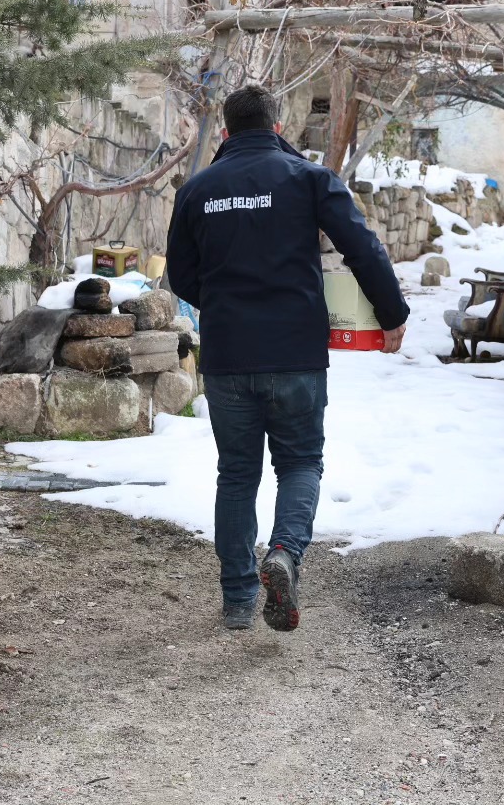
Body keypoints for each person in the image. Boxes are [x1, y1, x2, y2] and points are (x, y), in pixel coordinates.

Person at [166, 84, 409, 632]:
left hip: (228, 354)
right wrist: (391, 313)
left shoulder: (197, 189)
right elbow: (362, 246)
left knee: (236, 473)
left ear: (225, 132)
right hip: (296, 352)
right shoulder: (309, 179)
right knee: (299, 463)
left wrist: (225, 305)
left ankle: (237, 600)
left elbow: (181, 275)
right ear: (278, 128)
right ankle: (284, 553)